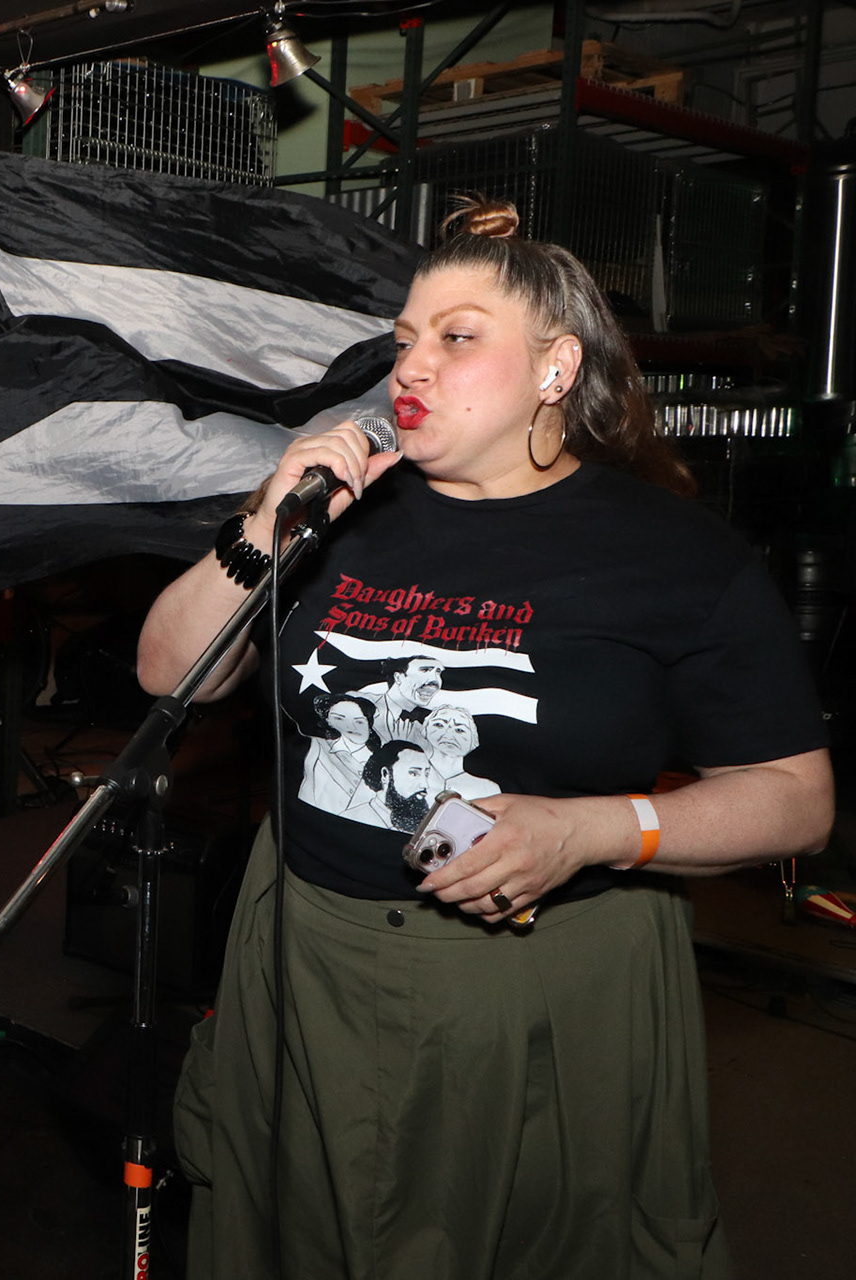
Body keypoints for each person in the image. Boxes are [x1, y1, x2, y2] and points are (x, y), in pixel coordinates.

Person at [137, 197, 833, 1278]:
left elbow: (795, 796)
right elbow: (167, 671)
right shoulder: (336, 514)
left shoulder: (674, 554)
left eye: (457, 338)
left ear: (557, 367)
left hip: (529, 981)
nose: (411, 366)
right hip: (304, 949)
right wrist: (266, 525)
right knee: (294, 1220)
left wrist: (592, 829)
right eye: (405, 340)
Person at [294, 691, 380, 815]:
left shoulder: (381, 758)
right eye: (339, 719)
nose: (351, 726)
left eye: (359, 721)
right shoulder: (317, 747)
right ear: (327, 721)